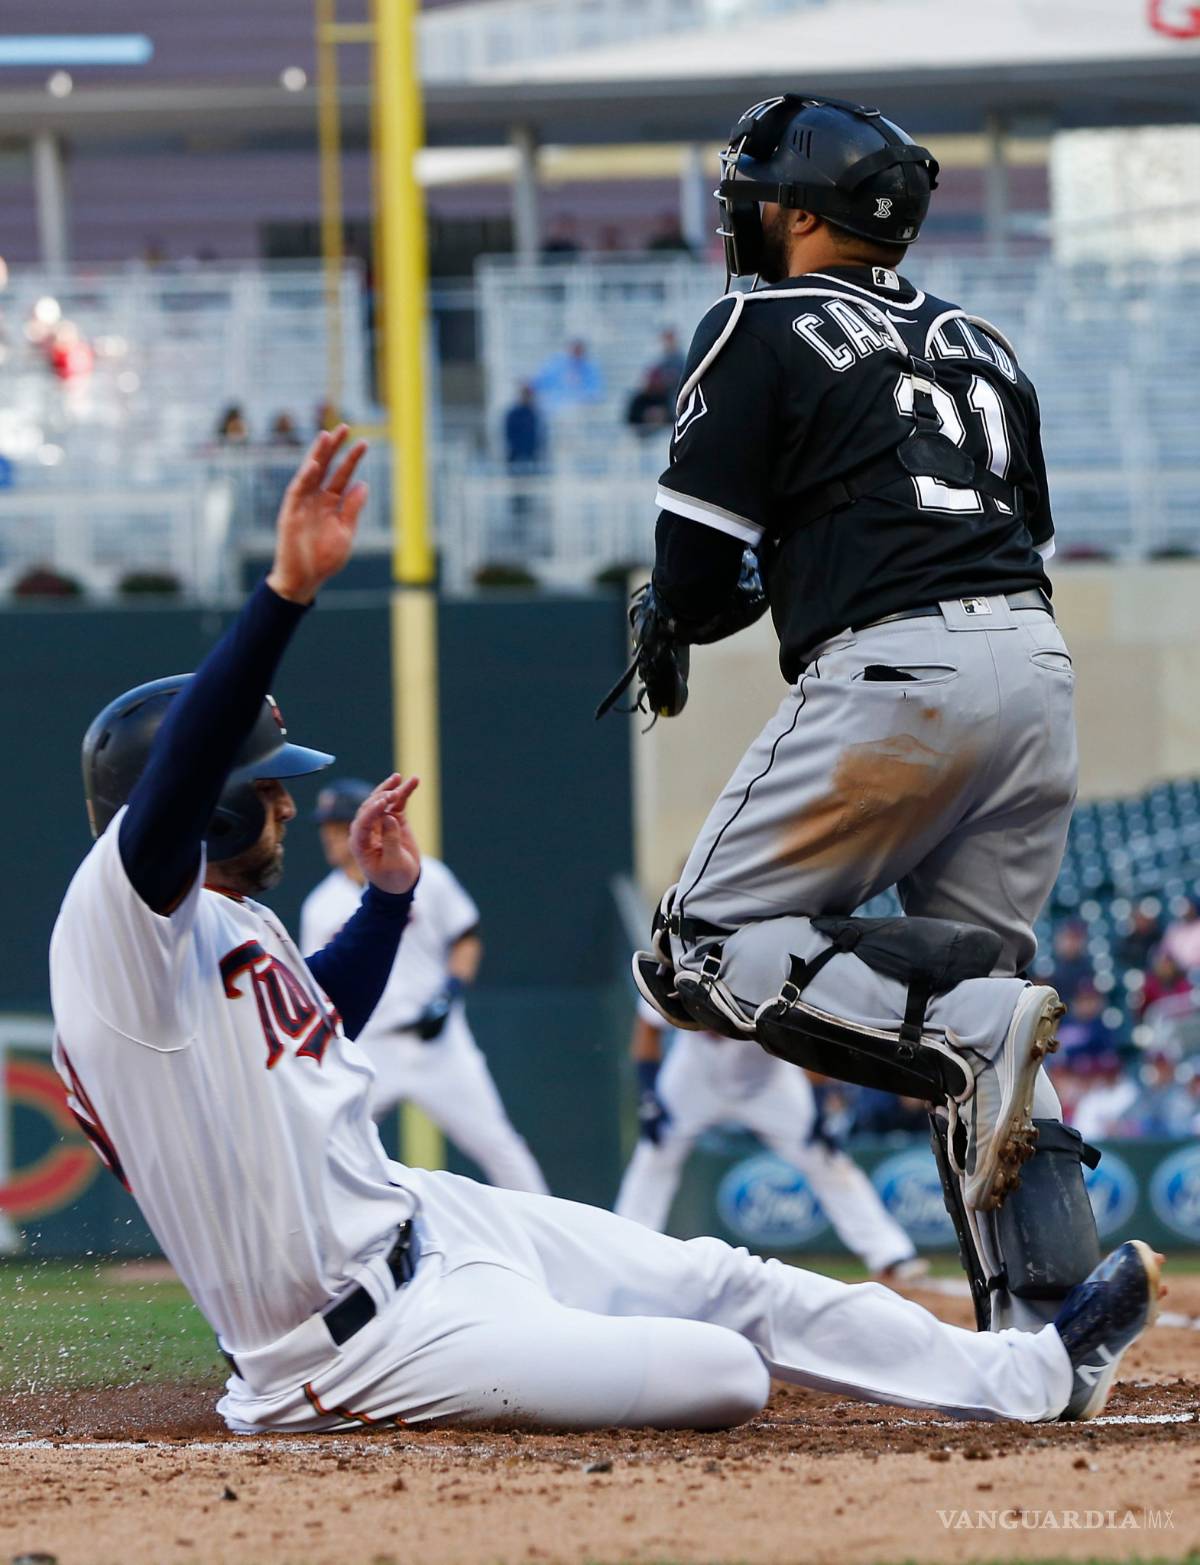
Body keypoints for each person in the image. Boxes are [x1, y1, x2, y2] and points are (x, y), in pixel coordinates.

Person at [49, 429, 1159, 1434]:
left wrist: (389, 905)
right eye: (268, 784)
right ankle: (512, 1352)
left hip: (433, 1221)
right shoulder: (116, 920)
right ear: (196, 801)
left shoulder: (218, 926)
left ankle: (1034, 1373)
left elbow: (306, 1028)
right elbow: (182, 780)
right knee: (724, 1372)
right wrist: (286, 593)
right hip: (352, 1344)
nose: (288, 802)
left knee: (733, 1278)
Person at [622, 94, 1093, 1338]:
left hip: (899, 675)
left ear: (799, 210)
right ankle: (1047, 1337)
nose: (742, 215)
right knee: (990, 1006)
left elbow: (690, 578)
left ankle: (972, 1031)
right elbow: (991, 532)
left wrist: (678, 611)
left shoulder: (754, 320)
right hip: (1038, 668)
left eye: (754, 195)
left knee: (693, 948)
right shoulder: (986, 340)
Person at [300, 782, 547, 1195]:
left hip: (438, 1042)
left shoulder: (423, 874)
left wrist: (450, 991)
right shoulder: (320, 904)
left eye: (340, 823)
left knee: (499, 1145)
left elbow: (466, 936)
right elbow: (317, 985)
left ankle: (549, 1236)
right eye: (326, 826)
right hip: (369, 1047)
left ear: (367, 825)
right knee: (325, 1148)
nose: (330, 834)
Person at [615, 998, 926, 1283]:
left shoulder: (763, 969)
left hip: (768, 1084)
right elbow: (647, 1028)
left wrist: (816, 1100)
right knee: (655, 1155)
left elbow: (805, 1039)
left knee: (824, 1158)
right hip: (696, 1075)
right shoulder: (680, 961)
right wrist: (648, 1094)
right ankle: (626, 1251)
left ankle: (890, 1255)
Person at [532, 339, 605, 413]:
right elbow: (541, 382)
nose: (577, 352)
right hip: (554, 409)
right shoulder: (557, 364)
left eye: (579, 349)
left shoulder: (590, 368)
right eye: (575, 349)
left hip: (581, 411)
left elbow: (595, 391)